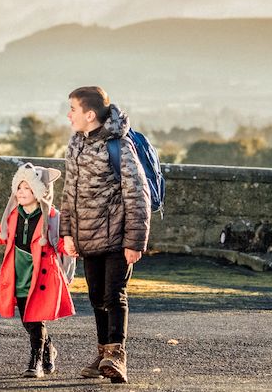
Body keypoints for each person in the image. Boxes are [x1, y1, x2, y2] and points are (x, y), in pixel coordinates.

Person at [60, 86, 150, 384]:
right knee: (96, 295)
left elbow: (137, 194)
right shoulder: (75, 144)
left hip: (117, 238)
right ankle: (103, 353)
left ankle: (117, 355)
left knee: (114, 295)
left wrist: (135, 242)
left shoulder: (119, 146)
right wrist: (68, 234)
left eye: (72, 109)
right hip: (87, 238)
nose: (68, 115)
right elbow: (68, 193)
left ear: (89, 114)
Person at [0, 163, 75, 378]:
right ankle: (48, 347)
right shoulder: (14, 214)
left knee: (35, 319)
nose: (21, 192)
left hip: (41, 274)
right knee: (27, 319)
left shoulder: (51, 216)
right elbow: (3, 236)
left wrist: (70, 246)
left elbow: (58, 243)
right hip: (18, 273)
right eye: (19, 188)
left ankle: (36, 361)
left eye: (27, 188)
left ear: (40, 191)